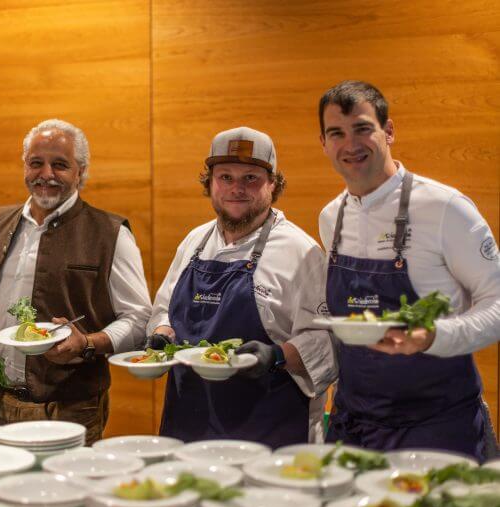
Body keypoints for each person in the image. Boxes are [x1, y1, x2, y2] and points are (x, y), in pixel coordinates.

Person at [0, 119, 152, 444]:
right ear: (24, 166)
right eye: (36, 163)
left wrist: (89, 343)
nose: (46, 174)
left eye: (60, 165)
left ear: (80, 171)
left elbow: (139, 318)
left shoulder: (110, 233)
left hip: (71, 408)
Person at [318, 80, 500, 460]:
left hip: (436, 426)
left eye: (363, 128)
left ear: (389, 131)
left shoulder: (445, 208)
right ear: (324, 144)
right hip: (354, 425)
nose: (350, 144)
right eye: (336, 133)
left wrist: (435, 336)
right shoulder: (330, 218)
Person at [146, 127, 336, 447]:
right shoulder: (195, 242)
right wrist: (163, 333)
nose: (237, 188)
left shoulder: (300, 251)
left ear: (273, 184)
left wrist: (276, 354)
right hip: (189, 424)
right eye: (226, 177)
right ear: (209, 183)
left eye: (251, 177)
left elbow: (327, 338)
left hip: (268, 429)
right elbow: (164, 309)